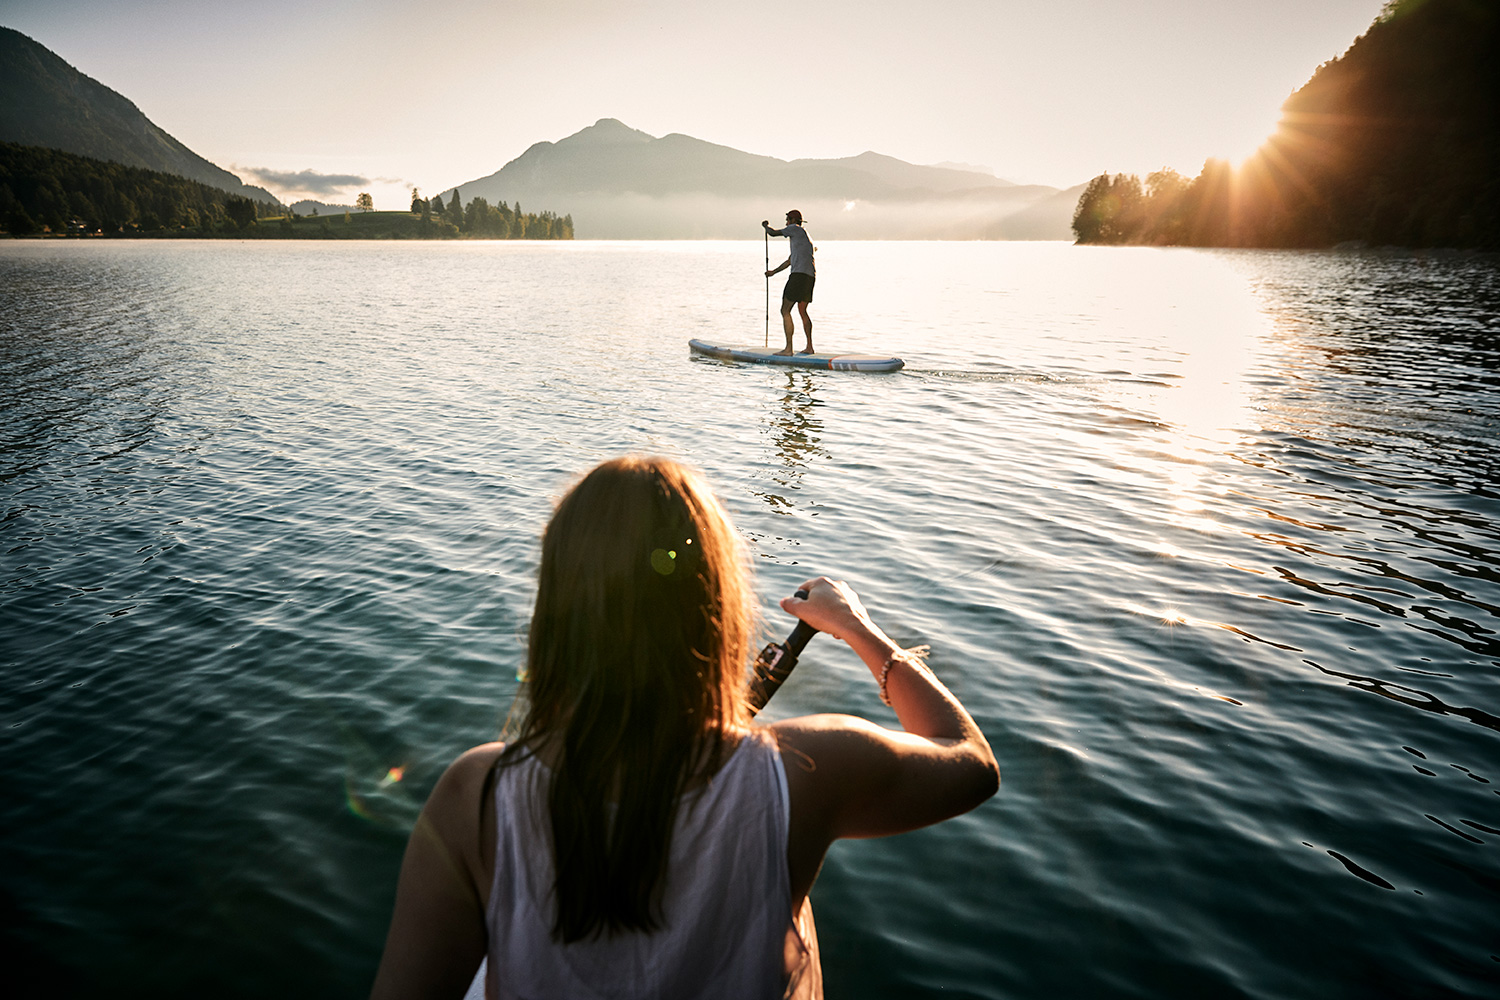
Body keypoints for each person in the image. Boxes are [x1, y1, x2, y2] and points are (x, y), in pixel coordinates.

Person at [370, 456, 998, 1000]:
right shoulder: (808, 772)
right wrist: (858, 629)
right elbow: (970, 760)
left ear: (558, 612)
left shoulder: (475, 795)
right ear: (715, 605)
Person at [763, 210, 816, 356]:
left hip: (798, 276)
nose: (786, 223)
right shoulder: (804, 238)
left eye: (787, 219)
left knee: (785, 310)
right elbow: (789, 261)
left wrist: (766, 226)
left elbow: (773, 233)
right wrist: (773, 272)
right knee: (802, 311)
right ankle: (809, 347)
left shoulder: (795, 229)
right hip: (810, 277)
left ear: (793, 220)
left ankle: (788, 349)